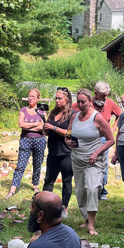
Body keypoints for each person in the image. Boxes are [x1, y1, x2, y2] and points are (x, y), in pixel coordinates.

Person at [67, 89, 115, 235]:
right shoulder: (74, 117)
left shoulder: (97, 118)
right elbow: (68, 135)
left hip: (94, 160)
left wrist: (96, 153)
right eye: (79, 101)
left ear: (90, 102)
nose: (81, 105)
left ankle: (91, 225)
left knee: (92, 189)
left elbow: (111, 140)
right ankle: (86, 219)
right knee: (81, 191)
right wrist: (68, 142)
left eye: (84, 102)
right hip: (77, 159)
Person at [5, 89, 46, 198]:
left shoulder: (42, 111)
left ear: (38, 98)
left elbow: (43, 126)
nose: (30, 98)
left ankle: (35, 185)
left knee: (37, 164)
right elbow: (21, 124)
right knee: (21, 165)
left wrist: (29, 125)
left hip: (40, 140)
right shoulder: (23, 110)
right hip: (26, 139)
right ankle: (13, 188)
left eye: (33, 96)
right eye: (29, 96)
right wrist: (36, 124)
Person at [42, 88, 76, 217]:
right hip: (53, 151)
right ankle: (46, 206)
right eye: (56, 98)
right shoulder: (53, 113)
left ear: (67, 99)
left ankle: (64, 207)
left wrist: (54, 127)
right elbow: (48, 131)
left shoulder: (73, 114)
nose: (57, 101)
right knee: (49, 180)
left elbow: (70, 133)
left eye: (59, 98)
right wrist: (45, 128)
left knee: (66, 181)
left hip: (66, 153)